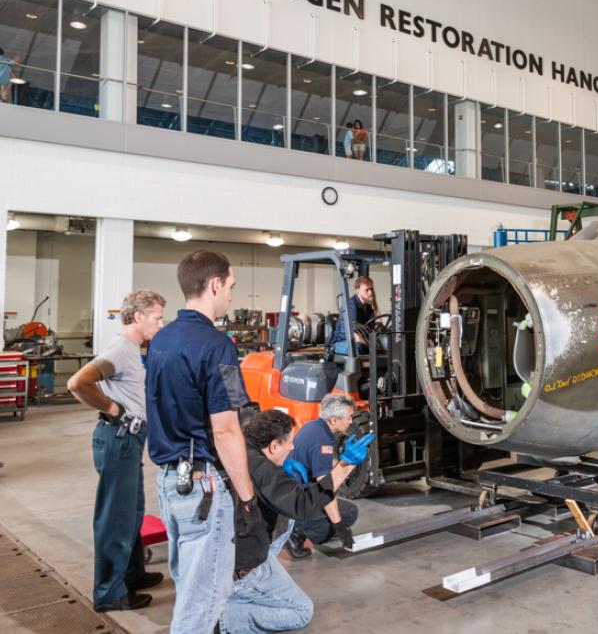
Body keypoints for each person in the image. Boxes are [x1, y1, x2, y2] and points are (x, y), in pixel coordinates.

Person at [145, 250, 269, 633]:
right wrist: (247, 497)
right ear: (215, 284)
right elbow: (227, 429)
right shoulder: (217, 346)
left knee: (190, 587)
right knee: (202, 604)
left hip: (169, 482)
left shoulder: (160, 340)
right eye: (231, 287)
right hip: (203, 487)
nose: (231, 296)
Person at [219, 410, 371, 634]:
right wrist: (346, 465)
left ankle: (221, 599)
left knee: (286, 517)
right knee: (300, 611)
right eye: (289, 443)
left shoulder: (244, 450)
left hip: (227, 551)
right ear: (273, 446)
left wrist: (282, 472)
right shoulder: (263, 471)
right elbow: (303, 506)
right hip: (243, 567)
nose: (292, 448)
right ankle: (222, 620)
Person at [68, 289, 166, 613]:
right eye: (157, 317)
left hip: (130, 441)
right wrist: (113, 407)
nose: (161, 323)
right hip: (119, 439)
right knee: (115, 519)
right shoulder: (121, 349)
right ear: (138, 317)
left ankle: (132, 575)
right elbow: (78, 382)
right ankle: (110, 593)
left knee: (132, 512)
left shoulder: (133, 349)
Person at [284, 393, 363, 558]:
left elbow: (324, 465)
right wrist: (340, 526)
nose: (351, 421)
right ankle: (295, 534)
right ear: (334, 420)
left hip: (292, 494)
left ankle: (306, 524)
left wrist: (345, 461)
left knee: (340, 512)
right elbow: (326, 489)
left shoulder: (314, 427)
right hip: (297, 502)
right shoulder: (321, 442)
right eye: (348, 417)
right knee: (348, 513)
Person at [328, 276, 379, 357]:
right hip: (342, 342)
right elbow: (356, 336)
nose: (370, 292)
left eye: (371, 289)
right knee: (359, 348)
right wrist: (372, 346)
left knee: (385, 345)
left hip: (359, 341)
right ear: (357, 290)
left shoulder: (369, 307)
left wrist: (374, 302)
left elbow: (372, 329)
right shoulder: (351, 305)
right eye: (367, 290)